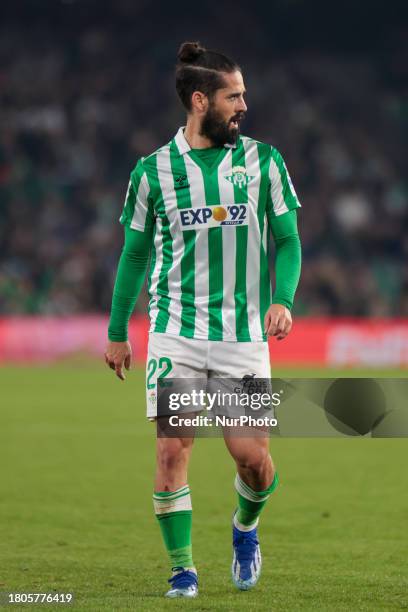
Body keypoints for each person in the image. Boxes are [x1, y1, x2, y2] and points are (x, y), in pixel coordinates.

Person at [105, 41, 301, 598]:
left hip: (243, 336)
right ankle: (183, 570)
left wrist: (283, 298)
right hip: (176, 334)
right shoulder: (152, 173)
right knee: (172, 448)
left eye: (243, 94)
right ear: (199, 101)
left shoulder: (265, 162)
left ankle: (245, 527)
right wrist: (119, 330)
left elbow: (287, 240)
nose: (244, 105)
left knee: (253, 460)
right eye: (233, 96)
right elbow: (135, 255)